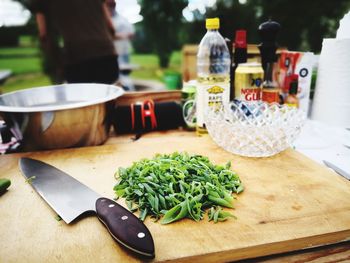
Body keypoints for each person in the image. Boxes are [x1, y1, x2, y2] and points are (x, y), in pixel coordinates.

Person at [30, 0, 119, 84]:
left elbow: (43, 34)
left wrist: (55, 61)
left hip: (75, 56)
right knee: (109, 96)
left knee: (83, 98)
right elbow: (111, 27)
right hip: (105, 53)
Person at [106, 0, 135, 66]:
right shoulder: (105, 20)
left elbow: (132, 34)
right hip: (111, 52)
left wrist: (123, 36)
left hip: (124, 51)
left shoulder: (123, 19)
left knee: (124, 72)